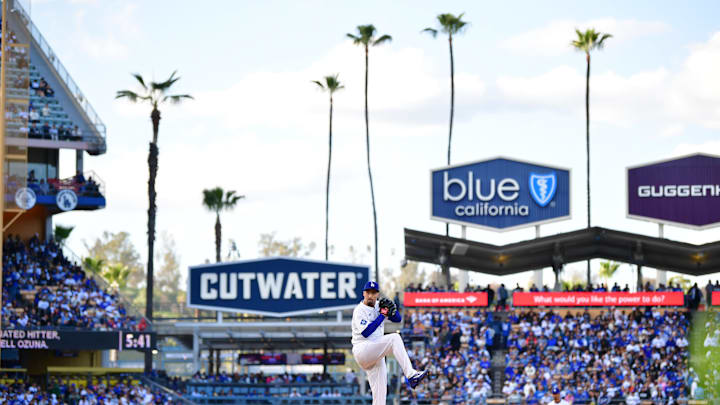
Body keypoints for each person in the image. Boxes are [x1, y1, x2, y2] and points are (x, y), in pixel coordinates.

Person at [352, 281, 427, 405]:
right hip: (363, 349)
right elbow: (366, 332)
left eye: (373, 293)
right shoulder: (359, 310)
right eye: (368, 293)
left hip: (376, 353)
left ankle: (411, 376)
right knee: (394, 338)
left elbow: (398, 319)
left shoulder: (378, 305)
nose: (371, 295)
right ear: (364, 293)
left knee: (380, 396)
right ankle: (411, 375)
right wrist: (382, 315)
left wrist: (392, 310)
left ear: (377, 294)